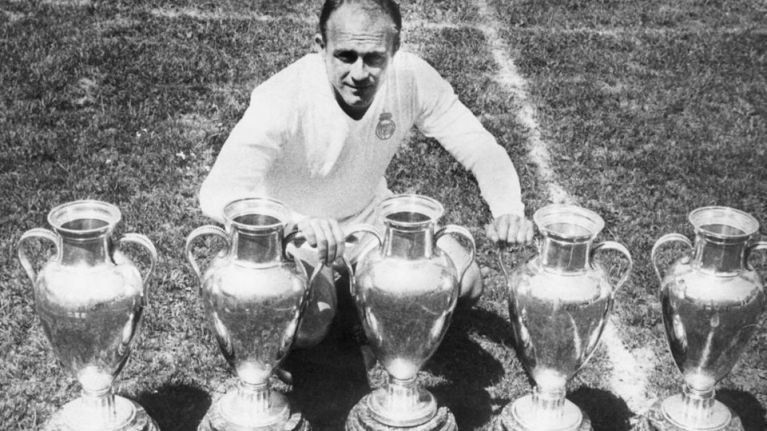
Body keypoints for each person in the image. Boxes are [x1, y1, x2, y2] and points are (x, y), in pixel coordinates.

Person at [199, 0, 534, 349]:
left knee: (465, 284)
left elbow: (479, 146)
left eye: (374, 58)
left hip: (370, 218)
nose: (360, 73)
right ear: (321, 48)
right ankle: (351, 294)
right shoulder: (282, 96)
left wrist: (508, 208)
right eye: (346, 56)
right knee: (308, 327)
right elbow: (217, 193)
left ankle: (356, 290)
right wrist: (297, 223)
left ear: (395, 49)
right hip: (301, 234)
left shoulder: (412, 77)